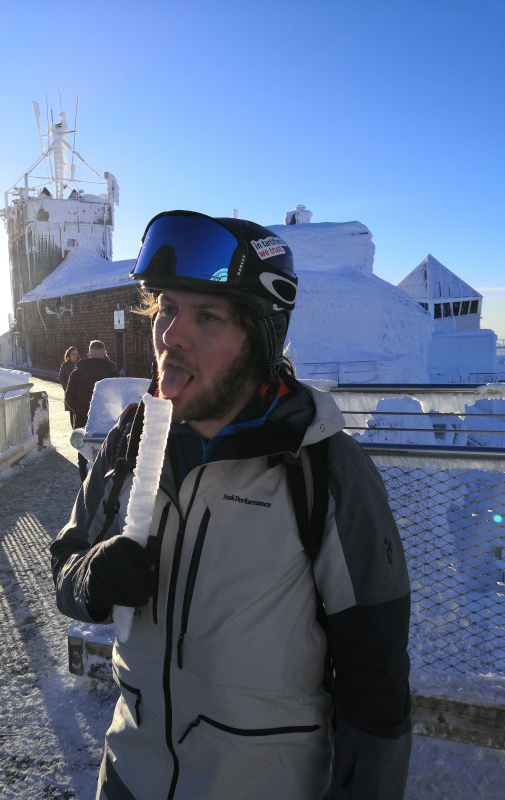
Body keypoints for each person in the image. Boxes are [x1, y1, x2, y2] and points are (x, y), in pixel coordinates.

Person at [50, 211, 412, 799]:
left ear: (262, 337)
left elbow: (377, 690)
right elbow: (65, 562)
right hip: (128, 777)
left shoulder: (321, 469)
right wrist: (91, 576)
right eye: (165, 307)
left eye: (208, 316)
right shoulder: (131, 442)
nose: (170, 335)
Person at [65, 340, 120, 481]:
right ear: (105, 354)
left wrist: (80, 411)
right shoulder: (114, 373)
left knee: (83, 456)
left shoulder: (76, 373)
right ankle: (106, 485)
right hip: (107, 421)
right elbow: (120, 397)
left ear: (88, 355)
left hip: (83, 419)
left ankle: (85, 486)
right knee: (109, 453)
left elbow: (69, 398)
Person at [59, 346, 80, 427]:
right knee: (71, 412)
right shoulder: (64, 365)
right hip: (69, 393)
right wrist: (66, 388)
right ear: (68, 356)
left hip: (80, 392)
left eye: (76, 354)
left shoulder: (80, 364)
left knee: (80, 411)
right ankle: (73, 428)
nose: (75, 355)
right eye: (73, 354)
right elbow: (61, 378)